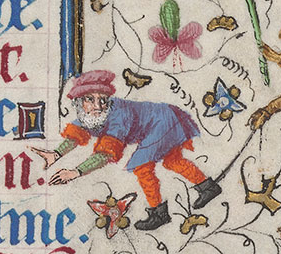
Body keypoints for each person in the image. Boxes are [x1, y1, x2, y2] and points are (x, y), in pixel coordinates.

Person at [34, 69, 221, 233]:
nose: (98, 106)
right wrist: (55, 155)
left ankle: (159, 213)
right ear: (78, 102)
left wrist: (75, 172)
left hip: (162, 121)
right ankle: (208, 187)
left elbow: (105, 155)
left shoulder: (118, 116)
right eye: (90, 99)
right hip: (167, 118)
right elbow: (75, 135)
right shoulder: (89, 115)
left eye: (102, 100)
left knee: (141, 166)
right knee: (172, 161)